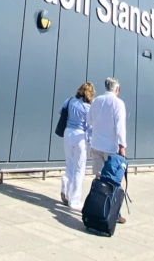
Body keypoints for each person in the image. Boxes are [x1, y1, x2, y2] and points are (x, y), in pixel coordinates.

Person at [88, 77, 127, 224]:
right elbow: (120, 126)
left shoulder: (96, 101)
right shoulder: (118, 103)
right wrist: (122, 145)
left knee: (98, 178)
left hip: (96, 144)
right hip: (111, 147)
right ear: (116, 89)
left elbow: (89, 120)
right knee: (113, 180)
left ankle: (96, 207)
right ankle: (114, 212)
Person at [60, 82, 94, 210]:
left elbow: (60, 111)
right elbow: (90, 127)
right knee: (79, 168)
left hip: (68, 132)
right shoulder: (88, 108)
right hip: (80, 136)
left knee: (69, 164)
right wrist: (91, 144)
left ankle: (65, 184)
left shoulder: (69, 101)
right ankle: (74, 200)